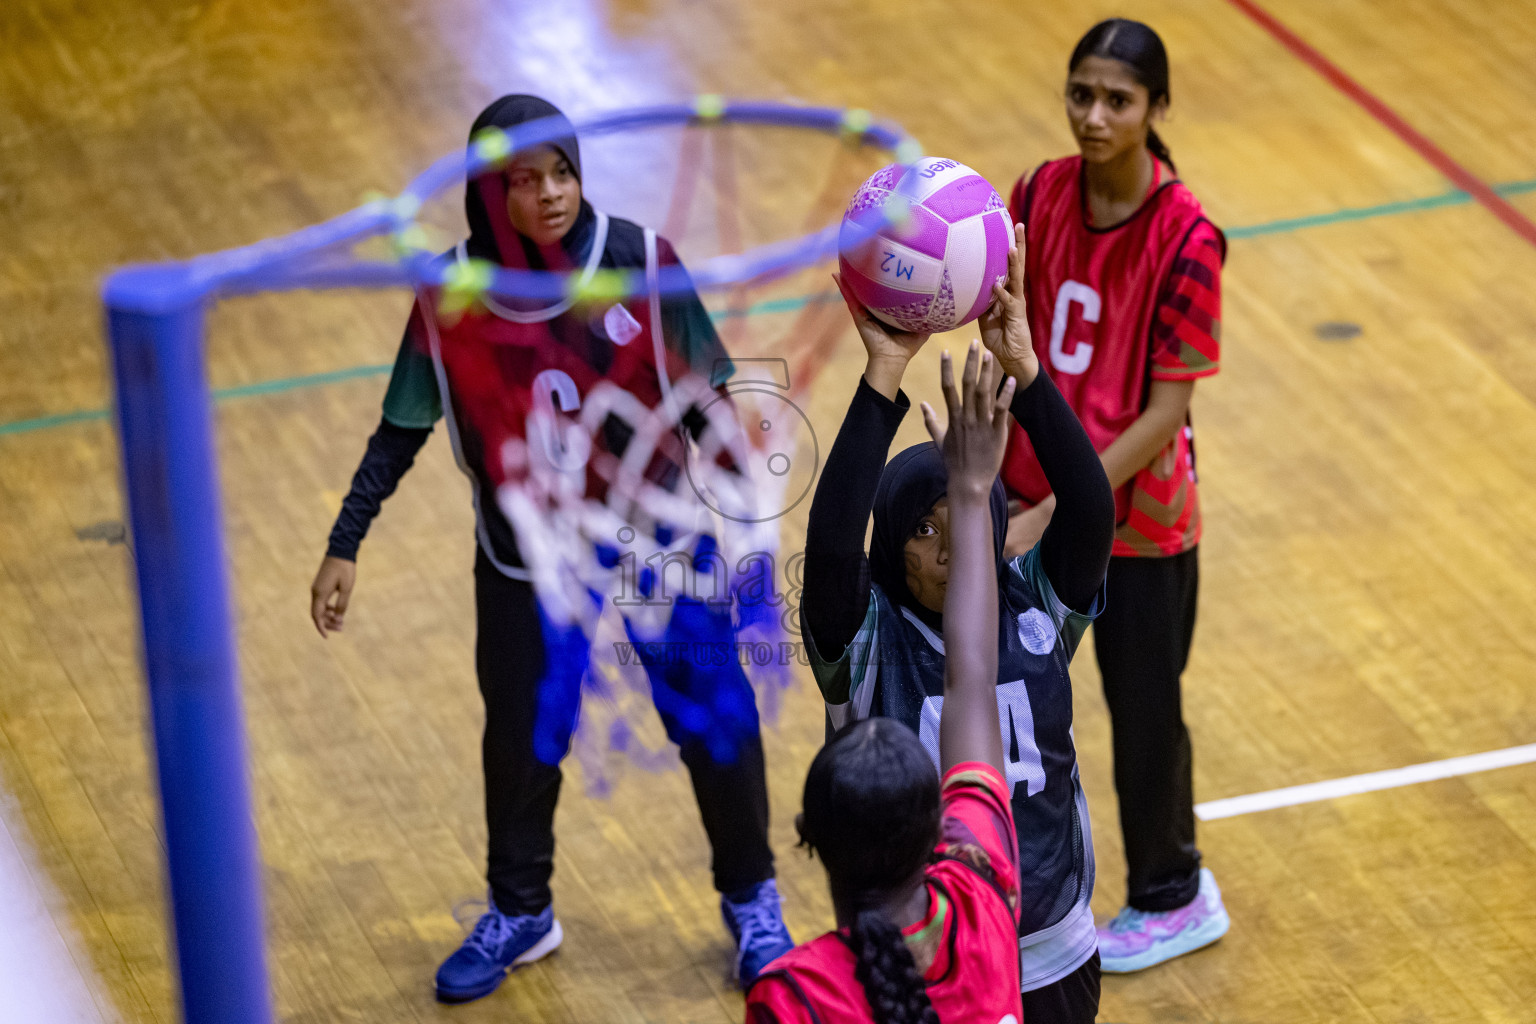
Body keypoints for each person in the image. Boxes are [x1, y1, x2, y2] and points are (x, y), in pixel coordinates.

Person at [308, 95, 793, 1003]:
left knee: (716, 720)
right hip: (528, 561)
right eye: (525, 181)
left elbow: (705, 399)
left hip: (657, 544)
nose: (552, 193)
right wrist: (347, 541)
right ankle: (521, 909)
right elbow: (401, 429)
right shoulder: (452, 293)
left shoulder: (641, 263)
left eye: (563, 171)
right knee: (523, 745)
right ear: (490, 197)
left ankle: (754, 902)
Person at [795, 233, 1116, 1024]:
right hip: (921, 965)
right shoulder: (862, 638)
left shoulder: (1035, 603)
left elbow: (1092, 510)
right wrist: (882, 378)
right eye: (922, 531)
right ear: (890, 544)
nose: (945, 552)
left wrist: (1028, 377)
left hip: (1053, 951)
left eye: (957, 525)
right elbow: (833, 545)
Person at [1000, 18, 1231, 973]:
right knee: (1012, 698)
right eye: (1081, 94)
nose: (1094, 117)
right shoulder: (1037, 192)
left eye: (1119, 100)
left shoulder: (1188, 239)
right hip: (1023, 494)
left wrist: (1060, 505)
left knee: (1143, 712)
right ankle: (999, 884)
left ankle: (1175, 893)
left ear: (1157, 111)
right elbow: (1007, 330)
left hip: (1138, 525)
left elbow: (1164, 409)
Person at [748, 341, 1029, 1024]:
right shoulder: (986, 899)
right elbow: (973, 679)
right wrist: (970, 490)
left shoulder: (797, 998)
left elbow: (834, 549)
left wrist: (881, 371)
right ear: (946, 824)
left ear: (813, 840)